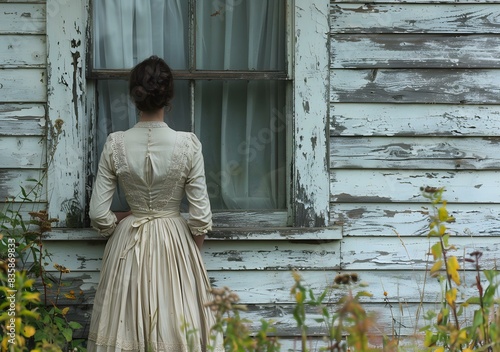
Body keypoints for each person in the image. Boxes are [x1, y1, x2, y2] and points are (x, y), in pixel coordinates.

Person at [87, 55, 224, 352]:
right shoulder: (188, 144)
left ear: (135, 96)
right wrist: (187, 255)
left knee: (124, 330)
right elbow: (200, 217)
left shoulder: (116, 144)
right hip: (175, 243)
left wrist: (120, 219)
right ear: (168, 96)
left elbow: (98, 214)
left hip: (128, 244)